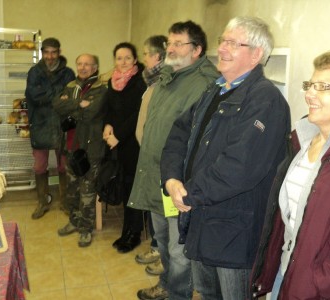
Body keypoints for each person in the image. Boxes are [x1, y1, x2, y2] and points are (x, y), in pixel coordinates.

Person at [160, 16, 290, 300]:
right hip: (201, 219)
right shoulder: (215, 90)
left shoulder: (265, 100)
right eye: (223, 41)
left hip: (233, 233)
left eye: (233, 43)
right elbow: (178, 134)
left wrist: (188, 193)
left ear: (256, 54)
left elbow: (240, 167)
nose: (222, 49)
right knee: (207, 294)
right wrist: (171, 179)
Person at [250, 50, 330, 299]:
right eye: (311, 85)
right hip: (285, 276)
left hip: (324, 291)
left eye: (323, 87)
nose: (310, 94)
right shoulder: (300, 141)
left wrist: (314, 283)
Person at [128, 20, 220, 300]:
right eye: (170, 42)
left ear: (197, 50)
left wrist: (180, 181)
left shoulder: (204, 83)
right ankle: (167, 285)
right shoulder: (168, 77)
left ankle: (178, 294)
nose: (172, 48)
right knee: (164, 241)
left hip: (179, 182)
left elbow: (197, 140)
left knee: (179, 248)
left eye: (179, 43)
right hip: (158, 175)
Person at [54, 54, 107, 247]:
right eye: (80, 64)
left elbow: (91, 112)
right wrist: (78, 104)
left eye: (87, 64)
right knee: (72, 190)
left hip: (90, 149)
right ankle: (74, 222)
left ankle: (85, 229)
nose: (83, 67)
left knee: (87, 191)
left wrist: (71, 106)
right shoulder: (70, 86)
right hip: (70, 147)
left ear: (95, 67)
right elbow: (57, 105)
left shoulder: (101, 89)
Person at [103, 42, 147, 253]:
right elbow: (110, 108)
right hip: (118, 143)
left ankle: (134, 233)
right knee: (125, 186)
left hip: (133, 143)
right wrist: (108, 125)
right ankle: (126, 230)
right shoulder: (113, 81)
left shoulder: (140, 82)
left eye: (127, 58)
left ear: (135, 60)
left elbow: (138, 114)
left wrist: (118, 135)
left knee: (133, 189)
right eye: (119, 58)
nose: (123, 62)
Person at [25, 37, 75, 219]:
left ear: (59, 53)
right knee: (39, 167)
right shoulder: (34, 72)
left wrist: (50, 95)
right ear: (42, 53)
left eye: (54, 52)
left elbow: (68, 97)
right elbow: (33, 95)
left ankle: (65, 202)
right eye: (46, 52)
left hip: (62, 126)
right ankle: (42, 202)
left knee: (64, 166)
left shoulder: (68, 73)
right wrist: (56, 96)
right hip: (40, 124)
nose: (50, 56)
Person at [134, 35, 168, 276]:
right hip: (148, 154)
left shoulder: (164, 83)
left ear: (157, 56)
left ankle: (164, 259)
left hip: (161, 159)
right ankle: (157, 247)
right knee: (155, 211)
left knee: (164, 213)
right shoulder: (152, 81)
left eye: (146, 53)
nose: (143, 57)